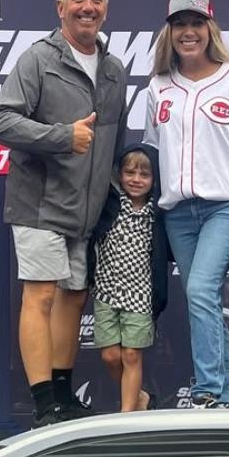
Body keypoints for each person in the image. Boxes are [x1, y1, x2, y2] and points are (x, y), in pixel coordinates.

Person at [0, 0, 128, 427]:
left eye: (96, 0)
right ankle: (44, 404)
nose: (88, 7)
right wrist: (62, 137)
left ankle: (64, 399)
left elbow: (115, 142)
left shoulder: (113, 69)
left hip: (86, 211)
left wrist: (111, 195)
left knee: (73, 297)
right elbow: (0, 121)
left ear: (106, 8)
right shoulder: (38, 59)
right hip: (40, 204)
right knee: (42, 294)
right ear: (61, 8)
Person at [142, 0, 229, 409]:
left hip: (226, 206)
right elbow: (153, 152)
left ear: (209, 29)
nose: (188, 32)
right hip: (177, 212)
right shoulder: (158, 86)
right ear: (170, 32)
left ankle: (208, 390)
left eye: (196, 23)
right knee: (205, 300)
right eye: (180, 24)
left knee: (198, 289)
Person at [89, 143, 169, 412]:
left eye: (144, 175)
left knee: (132, 355)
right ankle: (140, 398)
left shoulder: (157, 215)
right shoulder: (109, 206)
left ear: (155, 179)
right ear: (119, 175)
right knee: (111, 356)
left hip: (140, 294)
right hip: (106, 291)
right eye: (130, 173)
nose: (136, 180)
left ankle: (127, 415)